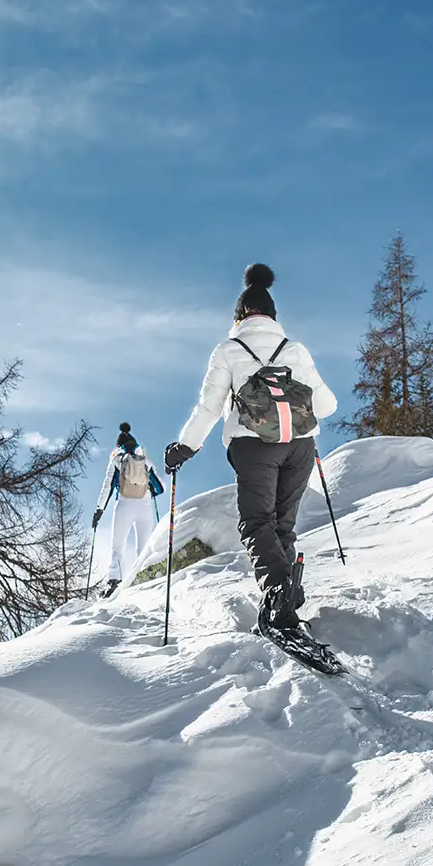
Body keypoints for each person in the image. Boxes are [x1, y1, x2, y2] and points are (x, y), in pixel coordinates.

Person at [164, 263, 337, 631]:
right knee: (282, 527)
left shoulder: (228, 350)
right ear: (273, 316)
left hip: (254, 446)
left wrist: (185, 446)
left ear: (239, 316)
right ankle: (287, 602)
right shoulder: (296, 349)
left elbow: (210, 407)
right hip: (300, 447)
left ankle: (277, 593)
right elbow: (327, 406)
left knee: (257, 523)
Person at [93, 423, 164, 597]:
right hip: (145, 506)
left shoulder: (117, 460)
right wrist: (149, 491)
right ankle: (145, 579)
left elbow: (107, 487)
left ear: (118, 446)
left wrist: (99, 510)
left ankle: (114, 582)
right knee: (144, 547)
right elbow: (160, 488)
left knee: (117, 546)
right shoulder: (145, 460)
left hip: (124, 505)